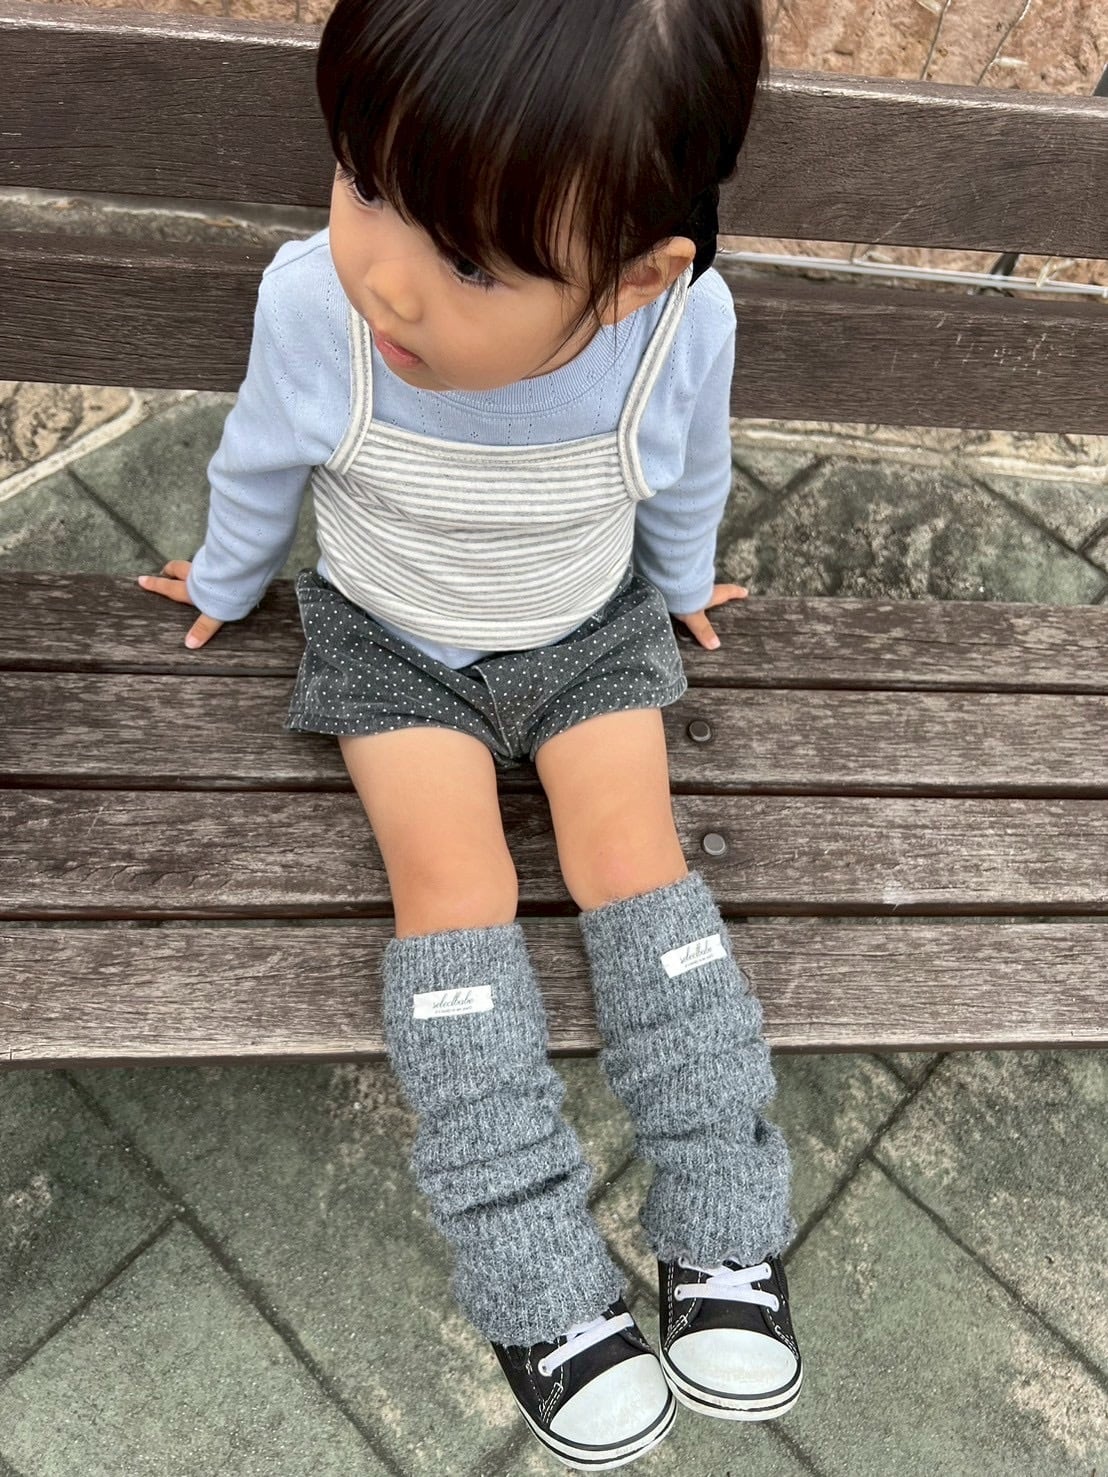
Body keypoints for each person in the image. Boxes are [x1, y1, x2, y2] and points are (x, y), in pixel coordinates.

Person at [139, 0, 801, 1465]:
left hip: (586, 632)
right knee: (456, 893)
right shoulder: (319, 309)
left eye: (473, 263)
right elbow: (258, 459)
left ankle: (725, 1226)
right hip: (393, 648)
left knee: (639, 865)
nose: (386, 273)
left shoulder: (678, 329)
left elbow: (690, 466)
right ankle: (537, 1283)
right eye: (364, 181)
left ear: (634, 280)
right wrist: (229, 582)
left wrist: (682, 586)